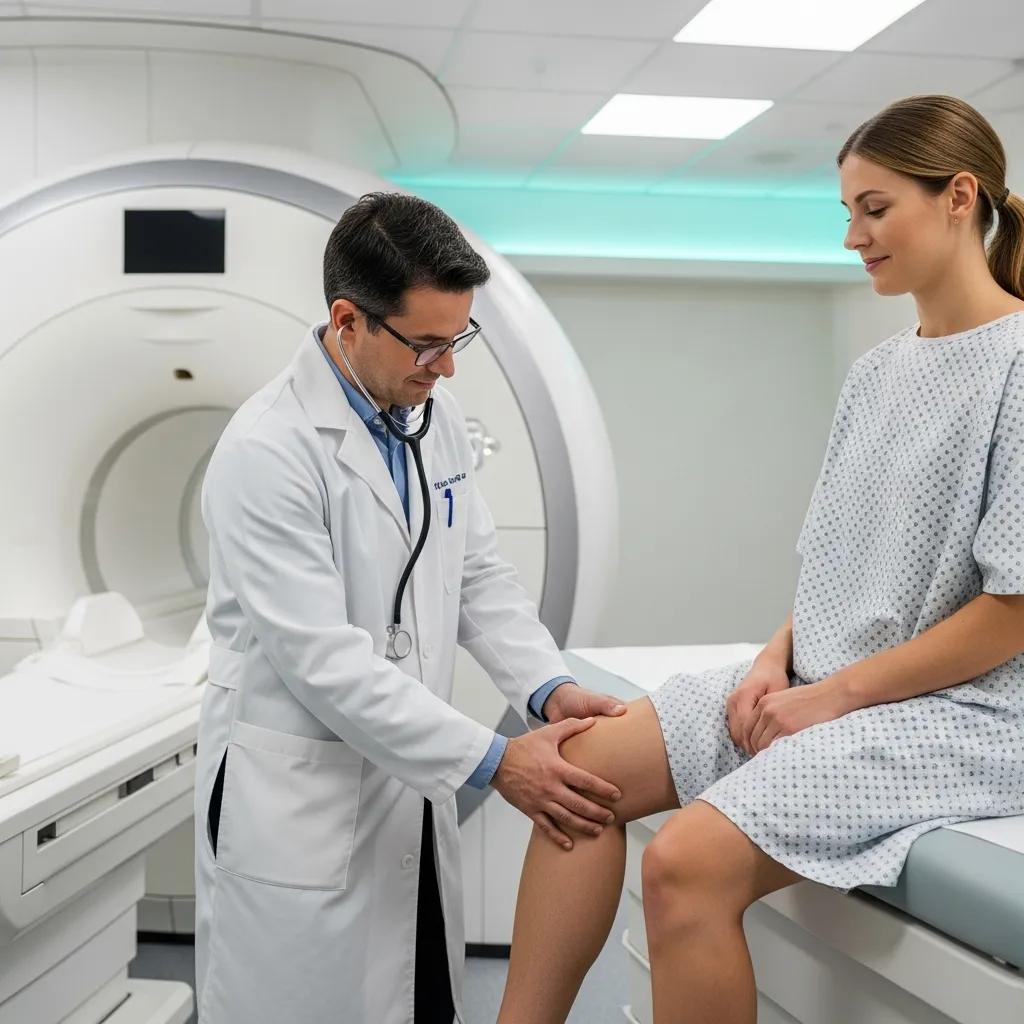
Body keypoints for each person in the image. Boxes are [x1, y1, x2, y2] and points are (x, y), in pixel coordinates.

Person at [496, 94, 1024, 1024]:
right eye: (847, 213)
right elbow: (838, 561)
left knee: (681, 865)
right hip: (826, 679)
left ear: (959, 196)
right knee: (575, 772)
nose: (854, 237)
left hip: (964, 714)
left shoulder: (1020, 365)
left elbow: (1013, 608)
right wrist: (776, 662)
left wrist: (830, 697)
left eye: (875, 208)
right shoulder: (878, 371)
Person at [192, 192, 627, 1024]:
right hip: (298, 801)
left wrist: (547, 687)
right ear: (348, 320)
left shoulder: (436, 418)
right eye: (428, 344)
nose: (448, 367)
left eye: (458, 339)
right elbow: (322, 662)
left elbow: (478, 575)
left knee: (418, 994)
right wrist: (501, 761)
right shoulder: (267, 450)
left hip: (405, 792)